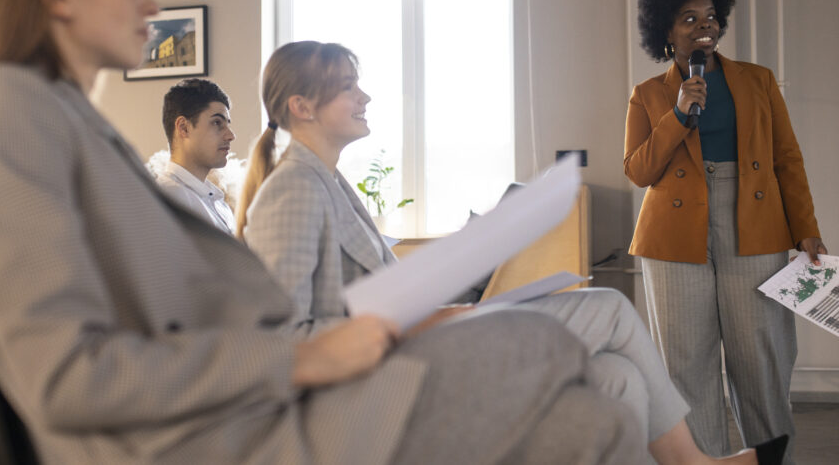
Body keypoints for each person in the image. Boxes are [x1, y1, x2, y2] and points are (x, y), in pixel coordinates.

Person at [0, 0, 650, 464]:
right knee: (544, 347)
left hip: (242, 408)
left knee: (594, 413)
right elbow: (69, 377)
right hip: (212, 438)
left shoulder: (58, 119)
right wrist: (300, 357)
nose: (150, 4)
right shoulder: (7, 120)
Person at [239, 39, 788, 465]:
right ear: (301, 106)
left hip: (420, 339)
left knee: (618, 377)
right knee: (610, 307)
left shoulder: (331, 183)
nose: (365, 97)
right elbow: (278, 346)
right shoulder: (291, 190)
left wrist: (443, 307)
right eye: (349, 87)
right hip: (384, 376)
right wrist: (408, 324)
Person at [625, 0, 827, 465]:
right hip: (673, 235)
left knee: (761, 356)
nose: (704, 26)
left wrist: (807, 230)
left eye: (711, 16)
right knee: (685, 364)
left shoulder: (758, 81)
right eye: (689, 19)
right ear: (667, 33)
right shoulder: (649, 94)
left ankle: (772, 458)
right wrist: (677, 115)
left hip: (754, 223)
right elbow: (638, 170)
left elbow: (786, 158)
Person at [155, 77, 236, 232]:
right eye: (217, 123)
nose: (230, 135)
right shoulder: (170, 199)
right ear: (184, 128)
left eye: (227, 124)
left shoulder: (218, 202)